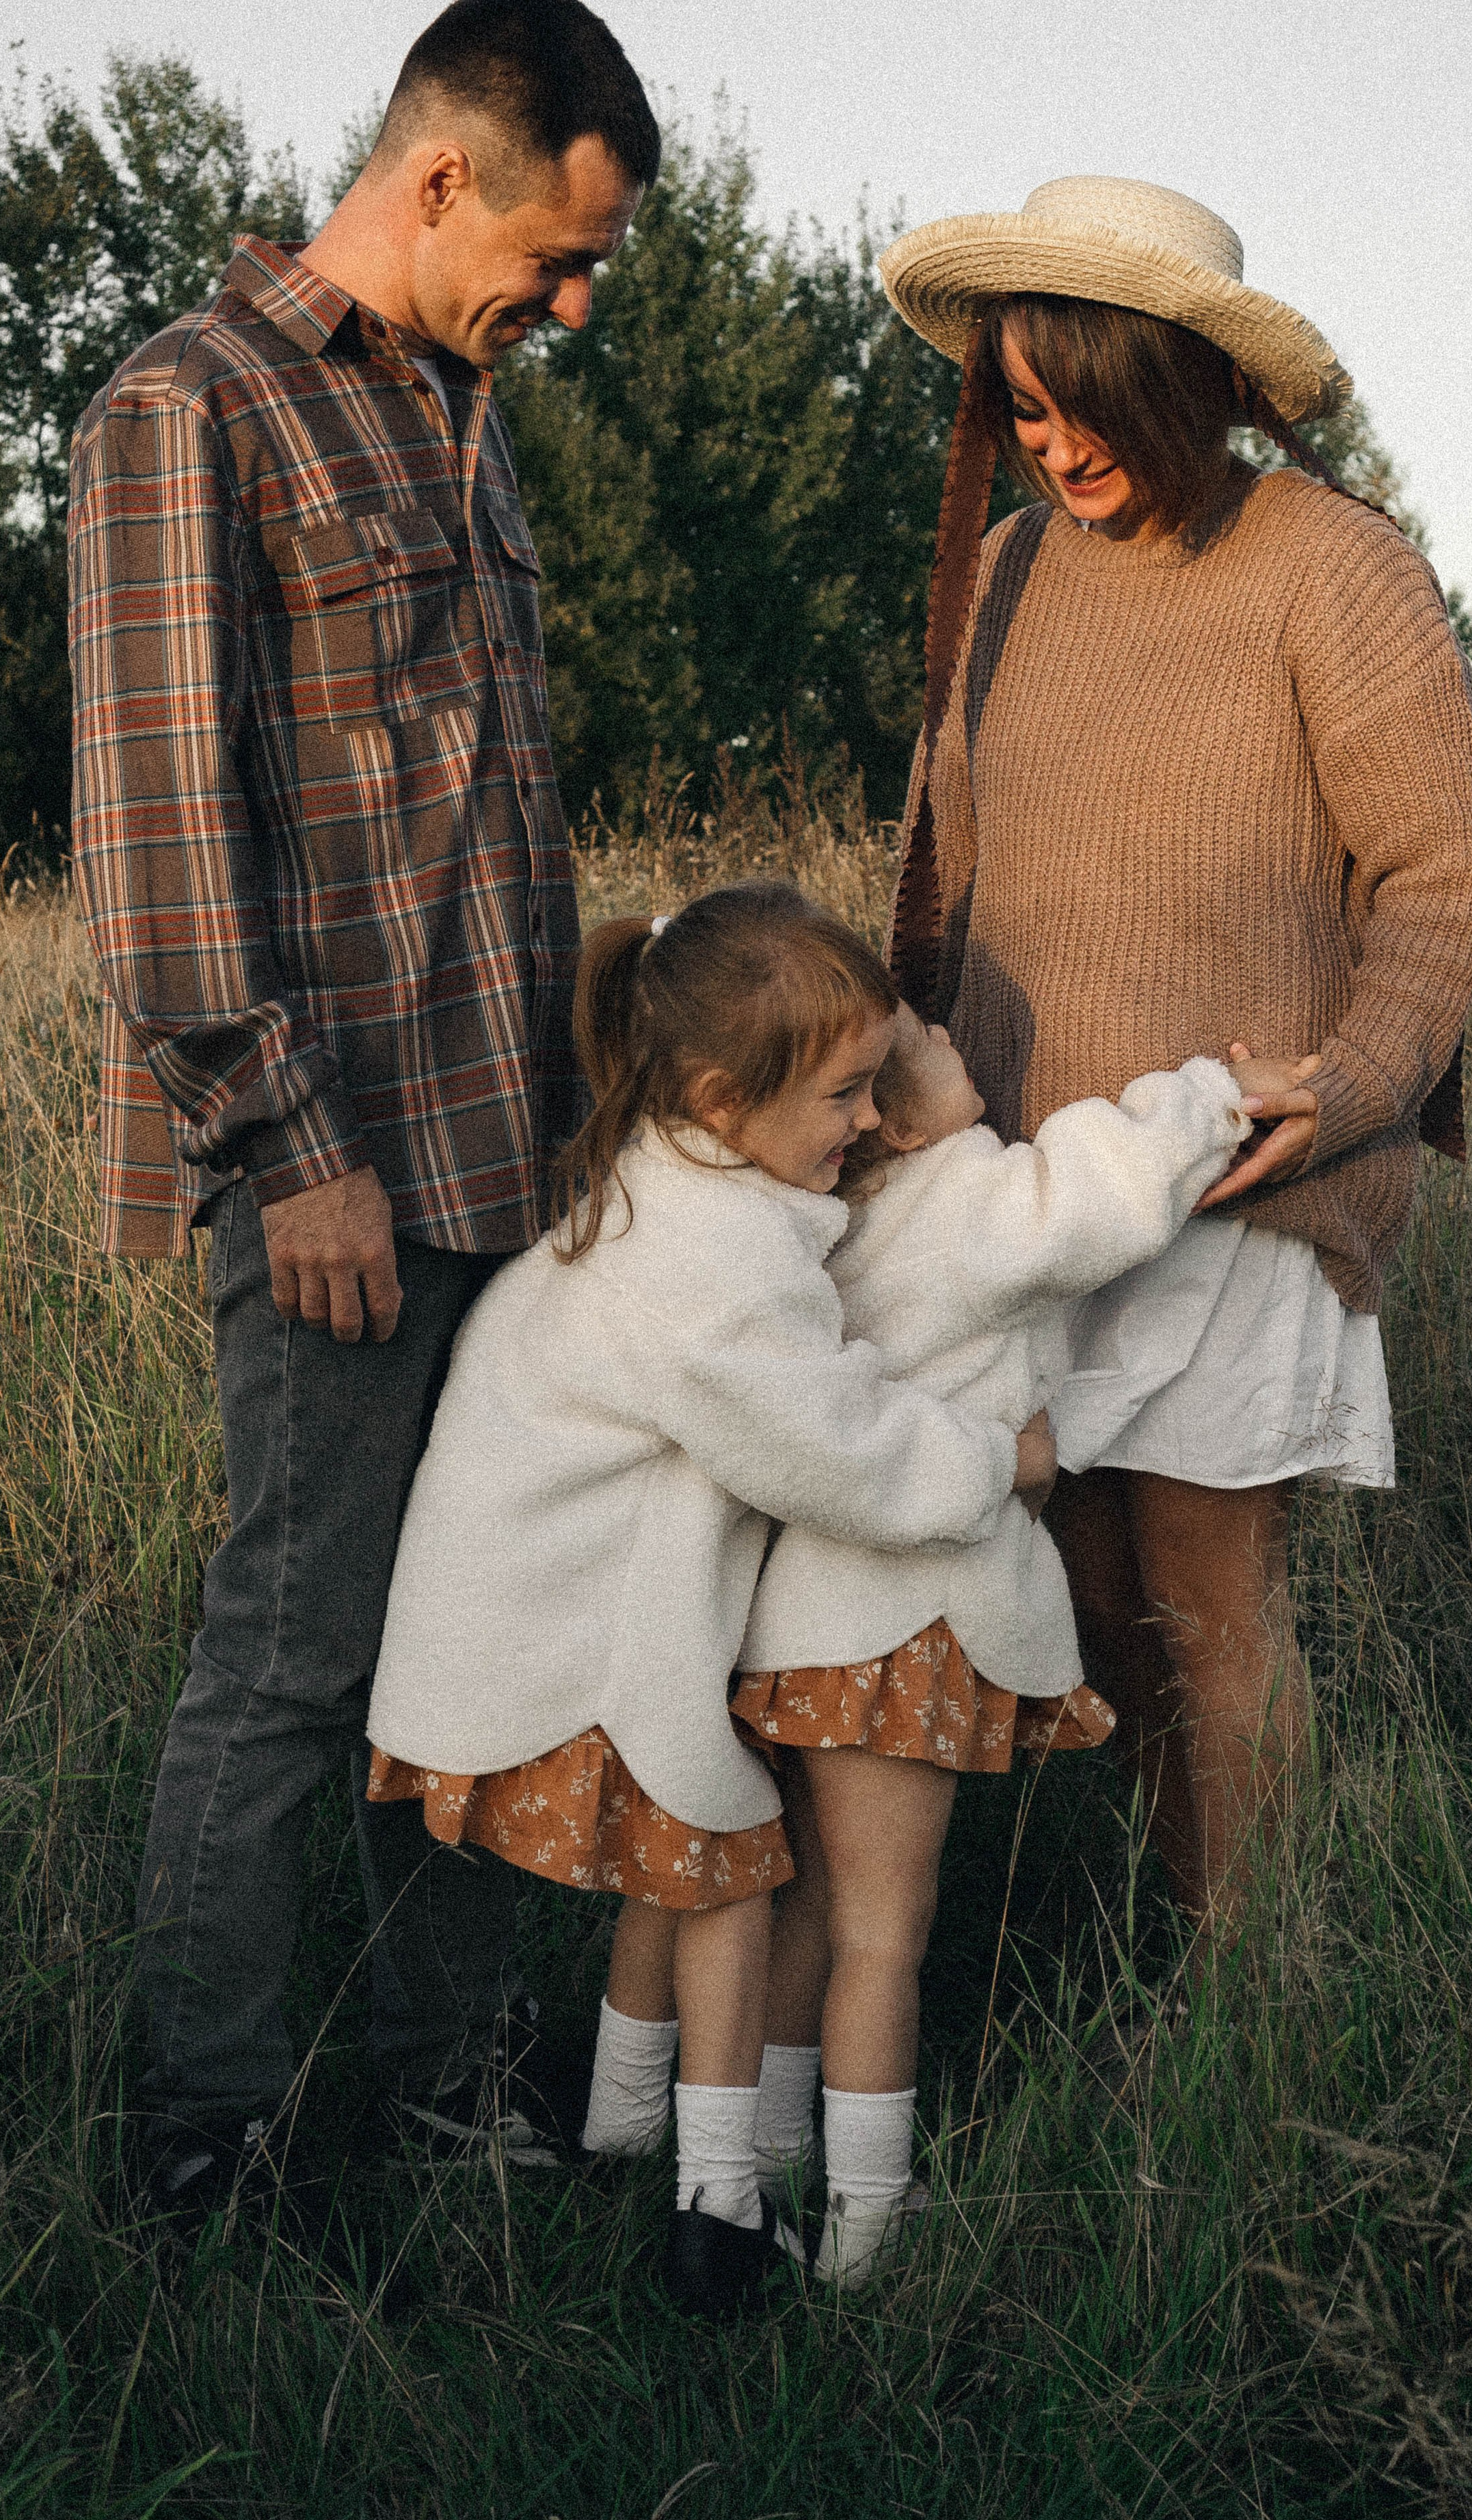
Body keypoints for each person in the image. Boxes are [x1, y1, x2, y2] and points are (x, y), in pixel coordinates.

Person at [66, 0, 660, 2223]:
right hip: (332, 1181)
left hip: (514, 1170)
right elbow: (158, 832)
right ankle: (203, 2144)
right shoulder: (184, 412)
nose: (575, 306)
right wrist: (282, 1146)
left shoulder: (466, 421)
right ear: (437, 180)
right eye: (560, 252)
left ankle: (450, 2097)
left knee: (485, 1649)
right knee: (296, 1666)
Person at [877, 178, 1472, 1965]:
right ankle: (1189, 1934)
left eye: (1085, 401)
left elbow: (1435, 875)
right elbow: (953, 870)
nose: (1054, 443)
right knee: (1080, 1595)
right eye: (1022, 403)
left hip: (1235, 1177)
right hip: (1024, 1201)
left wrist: (1363, 1075)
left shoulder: (1327, 562)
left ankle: (1255, 1997)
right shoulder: (997, 580)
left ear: (1189, 387)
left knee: (1210, 1601)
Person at [362, 888, 1059, 2316]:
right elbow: (841, 1454)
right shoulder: (715, 1268)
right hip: (564, 1639)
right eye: (842, 1095)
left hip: (525, 1608)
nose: (865, 1124)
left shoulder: (672, 1172)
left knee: (678, 1867)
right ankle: (715, 2208)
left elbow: (817, 1248)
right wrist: (1000, 1459)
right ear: (717, 1097)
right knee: (734, 1871)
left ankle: (621, 2131)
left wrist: (921, 1106)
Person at [728, 1007, 1279, 2283]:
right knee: (884, 1934)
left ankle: (762, 2173)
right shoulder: (959, 1197)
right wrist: (1213, 1092)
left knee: (808, 1903)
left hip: (797, 1622)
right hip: (905, 1630)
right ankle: (865, 2220)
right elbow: (1099, 1194)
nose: (942, 1021)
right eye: (911, 1036)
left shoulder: (809, 1219)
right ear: (895, 1120)